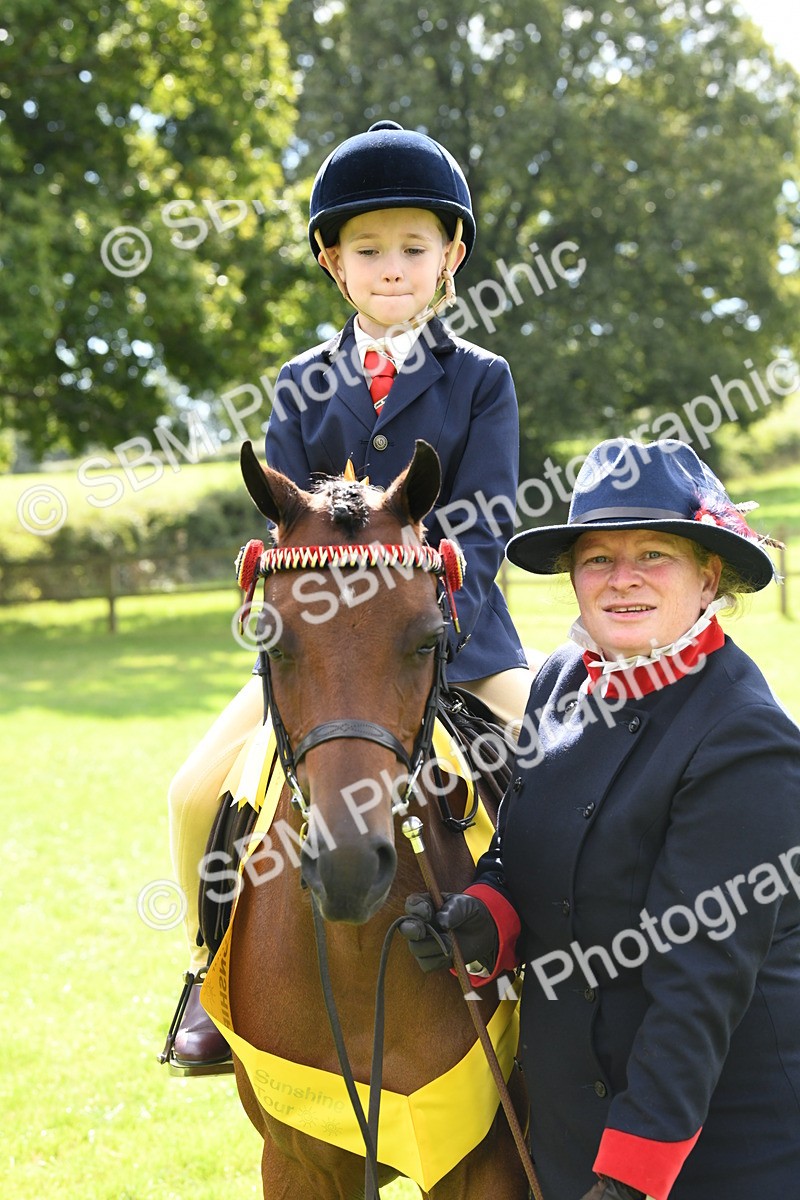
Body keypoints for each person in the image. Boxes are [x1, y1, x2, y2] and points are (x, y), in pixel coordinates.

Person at [163, 120, 536, 1070]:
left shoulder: (481, 382)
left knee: (553, 776)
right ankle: (205, 978)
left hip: (457, 641)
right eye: (369, 250)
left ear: (451, 258)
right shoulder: (301, 384)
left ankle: (565, 977)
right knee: (192, 792)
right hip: (320, 653)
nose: (393, 268)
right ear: (335, 263)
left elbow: (486, 522)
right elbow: (278, 522)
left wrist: (430, 598)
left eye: (414, 248)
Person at [400, 437, 800, 1200]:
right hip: (567, 1137)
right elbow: (519, 853)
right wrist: (483, 917)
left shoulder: (746, 737)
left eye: (654, 555)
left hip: (717, 1150)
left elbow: (698, 987)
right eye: (597, 560)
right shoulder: (559, 681)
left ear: (708, 576)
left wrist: (630, 1177)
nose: (622, 581)